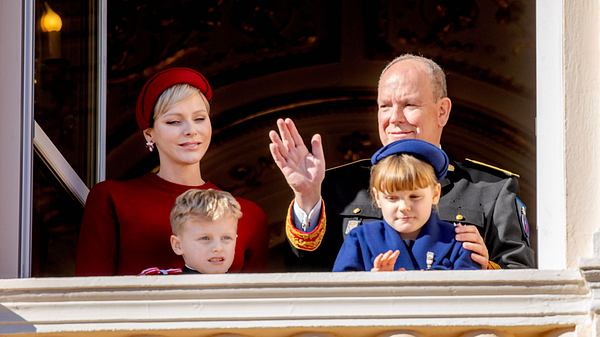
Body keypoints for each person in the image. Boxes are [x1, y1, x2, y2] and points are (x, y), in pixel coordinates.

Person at [269, 54, 535, 271]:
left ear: (442, 111)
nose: (394, 118)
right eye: (385, 106)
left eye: (409, 104)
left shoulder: (491, 190)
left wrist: (483, 267)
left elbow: (522, 279)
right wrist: (307, 197)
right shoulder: (339, 185)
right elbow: (303, 271)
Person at [76, 67, 268, 276]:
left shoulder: (248, 215)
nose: (190, 130)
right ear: (150, 134)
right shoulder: (112, 199)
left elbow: (256, 303)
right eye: (174, 121)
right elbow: (89, 294)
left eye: (200, 118)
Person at [333, 139, 479, 272]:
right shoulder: (360, 239)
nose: (404, 206)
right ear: (377, 197)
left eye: (415, 196)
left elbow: (471, 296)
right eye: (392, 198)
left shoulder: (459, 241)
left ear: (435, 194)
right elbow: (340, 295)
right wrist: (375, 286)